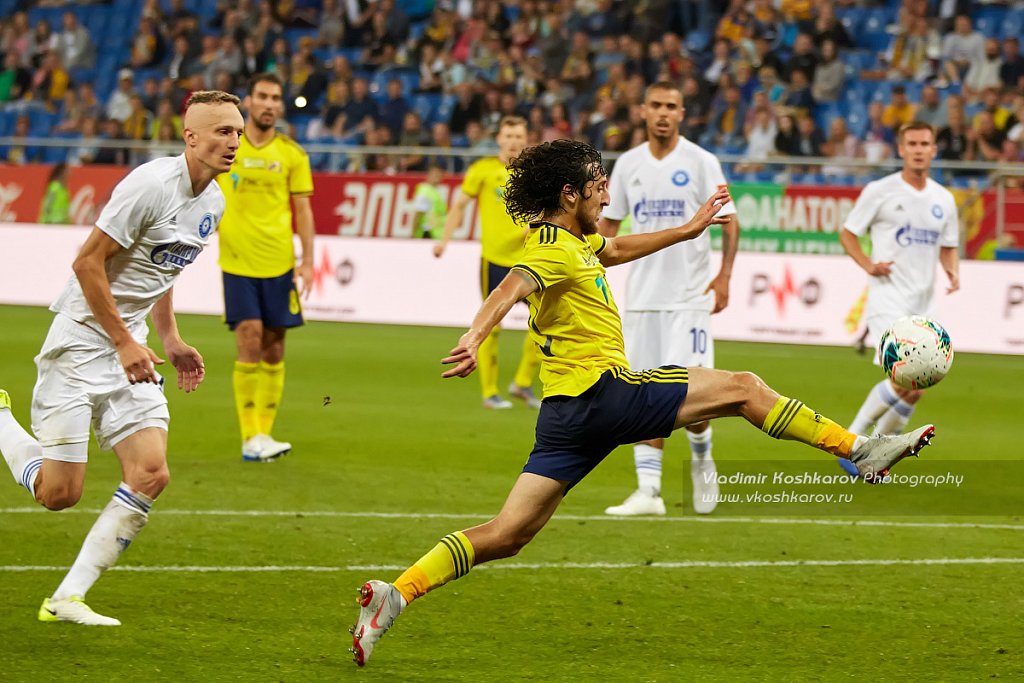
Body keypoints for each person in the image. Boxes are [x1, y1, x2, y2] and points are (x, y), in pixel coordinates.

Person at [348, 139, 936, 667]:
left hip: (565, 415)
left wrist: (685, 230)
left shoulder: (575, 243)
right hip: (605, 394)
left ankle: (395, 595)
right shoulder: (550, 250)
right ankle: (858, 450)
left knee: (507, 534)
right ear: (568, 193)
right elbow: (509, 286)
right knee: (744, 388)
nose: (608, 192)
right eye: (598, 184)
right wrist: (474, 338)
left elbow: (617, 247)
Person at [0, 90, 243, 625]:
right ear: (192, 136)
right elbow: (87, 264)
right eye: (223, 131)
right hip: (82, 340)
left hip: (128, 346)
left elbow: (162, 272)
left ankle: (67, 598)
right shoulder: (150, 184)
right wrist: (124, 342)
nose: (233, 141)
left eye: (238, 132)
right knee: (59, 494)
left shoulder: (214, 203)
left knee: (151, 472)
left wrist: (171, 337)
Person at [600, 81, 740, 517]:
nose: (663, 112)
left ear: (682, 113)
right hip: (642, 300)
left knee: (694, 399)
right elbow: (609, 226)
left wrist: (724, 277)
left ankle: (701, 456)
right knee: (643, 397)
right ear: (642, 111)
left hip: (689, 299)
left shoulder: (701, 161)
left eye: (671, 106)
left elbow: (730, 220)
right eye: (656, 105)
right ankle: (649, 492)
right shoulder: (628, 165)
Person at [836, 121, 959, 478]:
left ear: (934, 149)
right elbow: (848, 233)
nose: (919, 149)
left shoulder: (943, 199)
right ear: (901, 149)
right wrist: (868, 265)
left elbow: (948, 247)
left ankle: (878, 452)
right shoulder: (880, 191)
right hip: (889, 298)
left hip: (925, 304)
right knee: (902, 378)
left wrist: (952, 270)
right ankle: (853, 442)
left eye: (925, 143)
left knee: (918, 386)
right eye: (912, 143)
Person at [217, 72, 315, 462]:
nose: (270, 103)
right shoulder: (228, 148)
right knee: (249, 336)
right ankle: (249, 438)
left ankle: (264, 435)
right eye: (263, 96)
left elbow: (304, 210)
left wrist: (307, 260)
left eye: (276, 97)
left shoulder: (292, 154)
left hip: (279, 263)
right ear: (248, 101)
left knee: (274, 348)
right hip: (238, 262)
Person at [432, 115, 540, 410]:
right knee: (492, 327)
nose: (514, 141)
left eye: (519, 136)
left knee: (544, 323)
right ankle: (490, 392)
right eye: (509, 136)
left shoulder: (536, 174)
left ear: (526, 138)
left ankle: (522, 383)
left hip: (530, 260)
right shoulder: (483, 170)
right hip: (494, 261)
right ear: (499, 139)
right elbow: (459, 206)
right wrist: (444, 240)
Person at [411, 163, 446, 239]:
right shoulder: (425, 191)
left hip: (435, 234)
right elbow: (418, 214)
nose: (438, 177)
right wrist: (413, 234)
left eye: (439, 174)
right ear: (428, 175)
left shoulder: (434, 191)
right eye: (435, 174)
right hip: (427, 232)